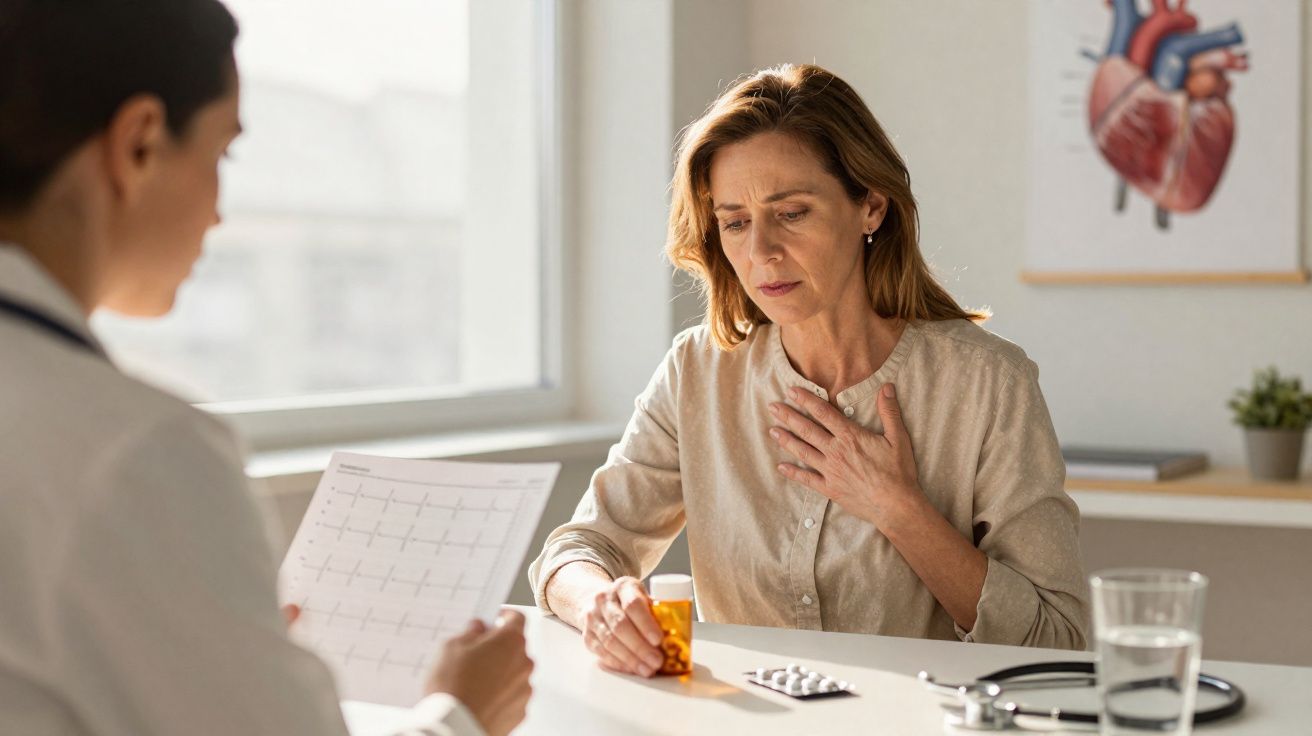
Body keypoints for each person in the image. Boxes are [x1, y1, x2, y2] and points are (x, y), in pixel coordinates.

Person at [0, 1, 530, 734]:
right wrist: (461, 712)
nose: (220, 212)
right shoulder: (136, 454)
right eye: (222, 154)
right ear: (139, 145)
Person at [528, 64, 1090, 678]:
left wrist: (898, 509)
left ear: (870, 206)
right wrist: (599, 604)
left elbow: (1055, 643)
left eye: (791, 213)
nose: (761, 251)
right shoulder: (697, 372)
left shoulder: (988, 383)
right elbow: (579, 549)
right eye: (735, 222)